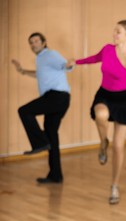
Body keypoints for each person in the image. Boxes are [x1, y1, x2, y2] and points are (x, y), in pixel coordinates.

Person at [68, 20, 126, 204]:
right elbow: (93, 58)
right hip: (104, 95)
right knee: (100, 115)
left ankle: (114, 186)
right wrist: (76, 62)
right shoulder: (107, 49)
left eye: (118, 32)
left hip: (122, 99)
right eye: (114, 31)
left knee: (119, 147)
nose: (114, 34)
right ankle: (102, 142)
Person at [12, 32, 72, 184]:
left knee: (24, 111)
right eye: (31, 42)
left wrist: (69, 64)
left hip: (56, 97)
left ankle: (39, 143)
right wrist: (22, 71)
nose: (33, 44)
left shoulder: (50, 54)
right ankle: (55, 175)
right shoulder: (40, 59)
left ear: (44, 42)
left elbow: (64, 65)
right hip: (60, 99)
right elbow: (40, 74)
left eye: (36, 41)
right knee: (51, 135)